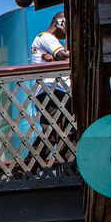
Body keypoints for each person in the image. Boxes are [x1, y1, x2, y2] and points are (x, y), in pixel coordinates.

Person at [29, 12, 70, 171]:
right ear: (61, 22)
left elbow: (60, 57)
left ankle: (70, 167)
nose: (67, 33)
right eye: (67, 27)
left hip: (54, 90)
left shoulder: (46, 39)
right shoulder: (45, 37)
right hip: (51, 90)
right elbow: (64, 56)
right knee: (52, 132)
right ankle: (27, 168)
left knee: (65, 131)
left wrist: (54, 58)